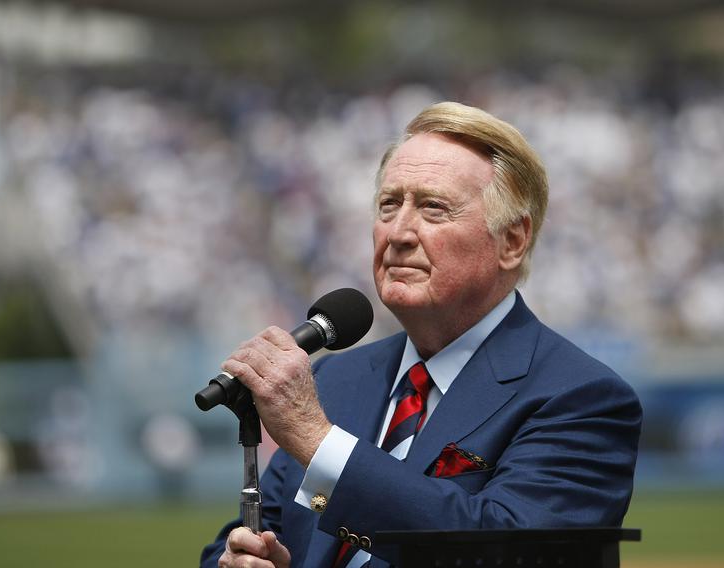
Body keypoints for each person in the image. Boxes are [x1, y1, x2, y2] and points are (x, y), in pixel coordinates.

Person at [201, 102, 642, 568]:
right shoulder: (337, 379)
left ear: (512, 241)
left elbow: (505, 549)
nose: (398, 232)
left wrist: (318, 441)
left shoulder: (581, 396)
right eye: (389, 205)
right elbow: (244, 539)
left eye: (433, 208)